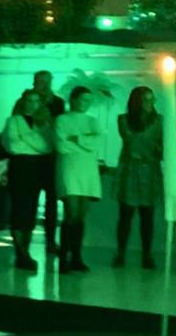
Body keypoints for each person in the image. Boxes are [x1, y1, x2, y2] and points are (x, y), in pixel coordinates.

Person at [2, 90, 55, 272]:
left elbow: (47, 147)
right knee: (19, 211)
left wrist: (26, 138)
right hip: (20, 168)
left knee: (31, 211)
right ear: (23, 101)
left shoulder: (45, 123)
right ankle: (21, 253)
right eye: (29, 100)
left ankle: (25, 251)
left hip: (38, 169)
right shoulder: (14, 121)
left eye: (36, 100)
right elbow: (14, 146)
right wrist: (34, 143)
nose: (32, 103)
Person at [113, 86, 162, 269]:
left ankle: (147, 255)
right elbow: (131, 141)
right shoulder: (124, 120)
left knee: (147, 217)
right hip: (130, 172)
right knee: (125, 215)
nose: (150, 103)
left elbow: (162, 147)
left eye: (152, 99)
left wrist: (159, 151)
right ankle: (120, 253)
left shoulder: (159, 121)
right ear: (136, 102)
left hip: (150, 172)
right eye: (146, 100)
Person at [55, 86, 101, 273]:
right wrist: (85, 142)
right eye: (82, 99)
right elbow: (61, 144)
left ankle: (76, 256)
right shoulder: (62, 119)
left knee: (81, 216)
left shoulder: (93, 121)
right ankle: (63, 257)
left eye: (89, 100)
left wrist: (77, 139)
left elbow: (97, 143)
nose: (86, 104)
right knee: (71, 214)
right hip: (70, 168)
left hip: (88, 169)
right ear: (73, 99)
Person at [32, 70, 63, 250]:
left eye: (47, 82)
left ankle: (50, 240)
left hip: (50, 157)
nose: (44, 85)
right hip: (32, 158)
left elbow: (60, 127)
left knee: (52, 200)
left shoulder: (57, 103)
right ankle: (25, 238)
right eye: (40, 82)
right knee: (30, 198)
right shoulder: (27, 101)